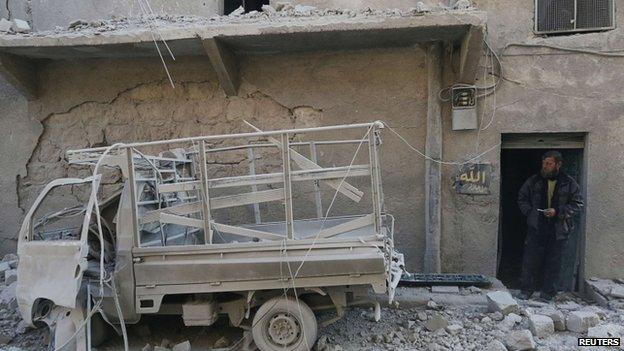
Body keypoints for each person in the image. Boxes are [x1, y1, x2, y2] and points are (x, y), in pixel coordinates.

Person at [517, 150, 583, 300]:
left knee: (553, 262)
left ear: (558, 165)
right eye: (544, 163)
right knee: (530, 261)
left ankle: (547, 294)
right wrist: (531, 213)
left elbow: (577, 203)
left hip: (558, 229)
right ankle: (526, 291)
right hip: (537, 227)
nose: (545, 166)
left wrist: (558, 212)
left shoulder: (569, 183)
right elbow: (522, 198)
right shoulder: (534, 181)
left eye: (549, 163)